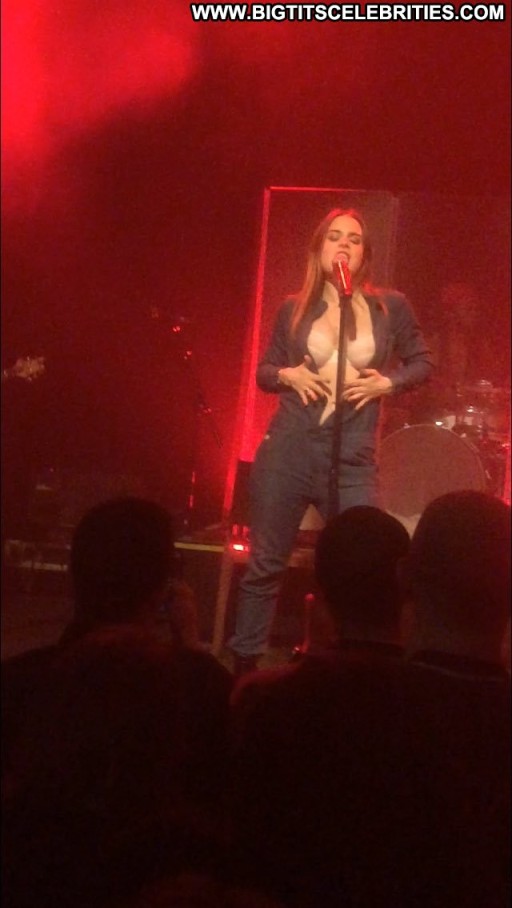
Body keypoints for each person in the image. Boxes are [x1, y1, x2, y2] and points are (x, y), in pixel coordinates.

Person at [229, 207, 433, 674]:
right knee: (266, 563)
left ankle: (352, 665)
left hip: (353, 455)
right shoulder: (293, 307)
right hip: (290, 447)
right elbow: (264, 370)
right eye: (334, 236)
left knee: (365, 561)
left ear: (365, 254)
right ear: (319, 249)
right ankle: (244, 671)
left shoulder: (390, 307)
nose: (344, 244)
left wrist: (388, 383)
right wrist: (287, 374)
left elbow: (423, 362)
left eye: (354, 239)